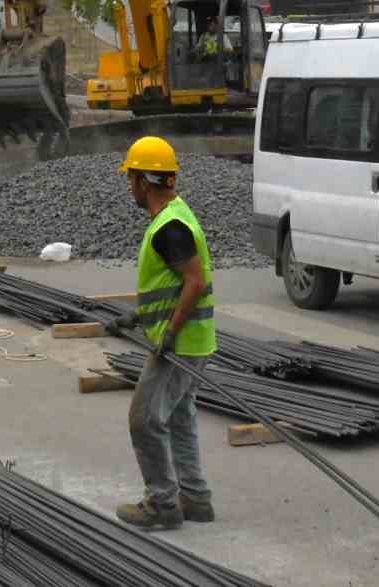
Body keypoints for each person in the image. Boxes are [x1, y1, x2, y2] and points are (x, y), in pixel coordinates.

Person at [105, 135, 217, 531]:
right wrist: (138, 318)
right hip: (195, 339)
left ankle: (162, 504)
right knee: (180, 416)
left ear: (143, 182)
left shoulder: (169, 227)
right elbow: (172, 286)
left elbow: (193, 283)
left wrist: (167, 334)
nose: (129, 186)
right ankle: (195, 498)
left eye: (131, 178)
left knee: (144, 419)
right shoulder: (177, 216)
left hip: (181, 343)